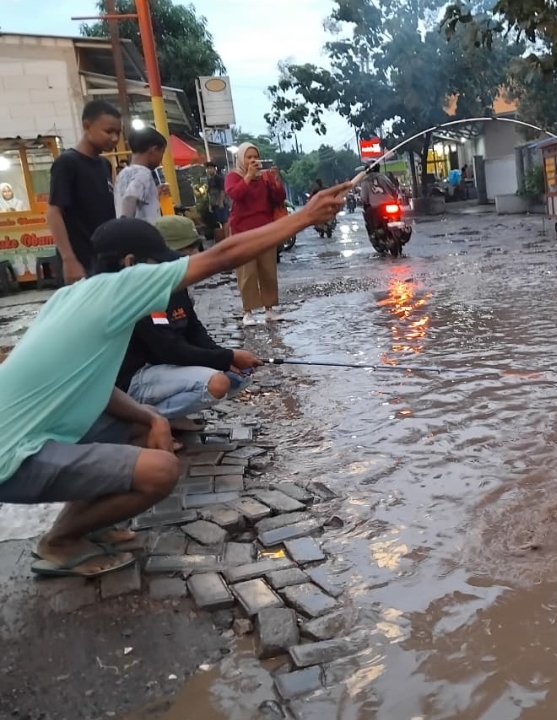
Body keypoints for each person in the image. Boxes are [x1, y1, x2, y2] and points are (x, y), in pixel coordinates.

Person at [0, 181, 349, 578]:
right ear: (131, 263)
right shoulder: (122, 287)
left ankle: (91, 524)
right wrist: (303, 217)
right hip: (14, 457)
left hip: (28, 437)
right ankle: (60, 542)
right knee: (161, 471)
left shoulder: (72, 296)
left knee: (141, 424)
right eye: (164, 264)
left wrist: (151, 417)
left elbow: (93, 386)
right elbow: (223, 255)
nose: (174, 272)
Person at [116, 215, 262, 432]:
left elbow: (194, 329)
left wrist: (224, 356)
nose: (193, 257)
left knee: (238, 376)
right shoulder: (142, 292)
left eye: (194, 249)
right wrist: (226, 357)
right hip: (138, 375)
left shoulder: (177, 285)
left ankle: (170, 414)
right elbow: (169, 350)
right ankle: (144, 420)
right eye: (186, 252)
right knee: (218, 382)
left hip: (166, 365)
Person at [45, 100, 121, 286]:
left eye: (118, 133)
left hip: (105, 259)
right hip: (81, 262)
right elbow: (54, 212)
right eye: (109, 131)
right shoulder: (67, 163)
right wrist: (69, 259)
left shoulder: (104, 164)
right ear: (87, 127)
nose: (115, 138)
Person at [225, 142, 287, 326]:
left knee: (268, 270)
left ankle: (269, 309)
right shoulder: (233, 176)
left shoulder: (264, 177)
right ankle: (248, 311)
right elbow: (235, 194)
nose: (253, 160)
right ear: (241, 159)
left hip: (265, 230)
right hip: (242, 232)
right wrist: (248, 176)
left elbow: (279, 198)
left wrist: (276, 181)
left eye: (255, 157)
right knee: (247, 273)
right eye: (249, 157)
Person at [114, 128, 169, 222]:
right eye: (162, 153)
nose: (161, 158)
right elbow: (130, 197)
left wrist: (154, 192)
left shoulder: (123, 174)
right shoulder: (143, 173)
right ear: (154, 150)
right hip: (141, 229)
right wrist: (126, 223)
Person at [359, 163, 400, 234]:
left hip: (376, 207)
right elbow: (393, 190)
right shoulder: (384, 177)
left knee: (368, 215)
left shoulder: (365, 181)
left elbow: (364, 198)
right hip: (390, 203)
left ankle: (373, 234)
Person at [205, 161, 227, 227]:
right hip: (213, 203)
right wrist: (210, 204)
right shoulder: (209, 180)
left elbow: (222, 190)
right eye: (208, 168)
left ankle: (227, 233)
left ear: (215, 169)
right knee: (219, 221)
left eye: (211, 168)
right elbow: (209, 193)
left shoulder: (219, 178)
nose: (209, 170)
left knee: (224, 220)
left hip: (220, 203)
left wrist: (221, 202)